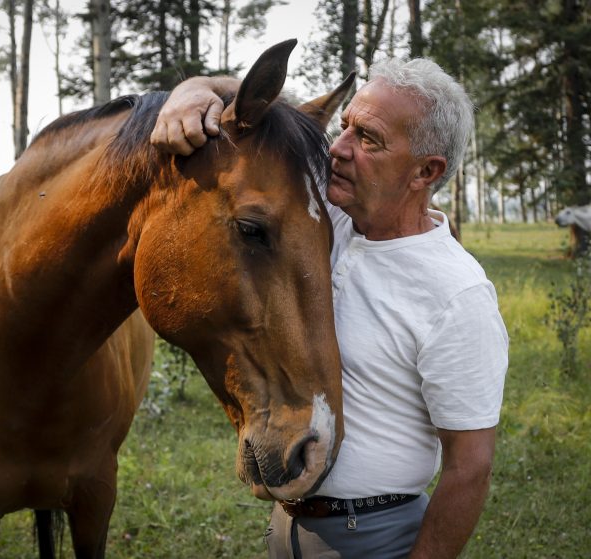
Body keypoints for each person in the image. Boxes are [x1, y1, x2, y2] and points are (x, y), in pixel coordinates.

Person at [150, 57, 509, 559]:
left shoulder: (456, 294)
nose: (337, 148)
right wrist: (193, 88)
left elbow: (470, 467)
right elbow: (270, 108)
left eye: (368, 138)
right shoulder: (320, 219)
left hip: (377, 536)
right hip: (289, 530)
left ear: (425, 171)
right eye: (344, 126)